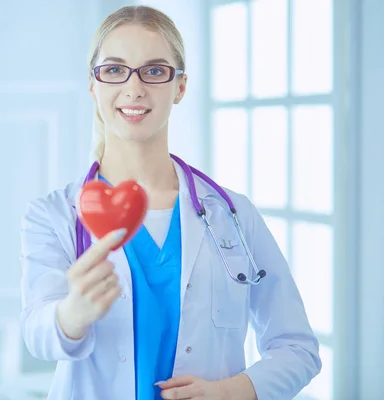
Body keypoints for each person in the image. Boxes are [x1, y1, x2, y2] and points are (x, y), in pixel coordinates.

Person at [19, 5, 321, 400]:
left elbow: (298, 348)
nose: (134, 88)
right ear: (93, 85)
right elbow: (37, 335)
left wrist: (233, 391)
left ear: (180, 87)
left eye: (155, 71)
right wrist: (72, 313)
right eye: (114, 70)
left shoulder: (232, 214)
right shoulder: (54, 215)